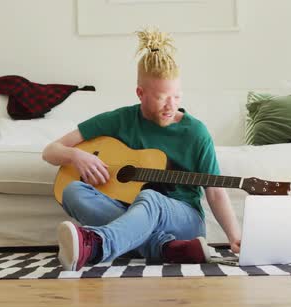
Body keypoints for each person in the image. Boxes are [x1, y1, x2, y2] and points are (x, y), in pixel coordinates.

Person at [42, 28, 241, 271]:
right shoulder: (120, 120)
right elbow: (50, 151)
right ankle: (166, 248)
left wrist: (235, 237)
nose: (171, 106)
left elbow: (215, 191)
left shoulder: (195, 132)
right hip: (129, 210)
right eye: (161, 98)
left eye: (176, 97)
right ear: (140, 93)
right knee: (72, 191)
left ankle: (96, 246)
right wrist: (76, 155)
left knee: (149, 197)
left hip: (184, 219)